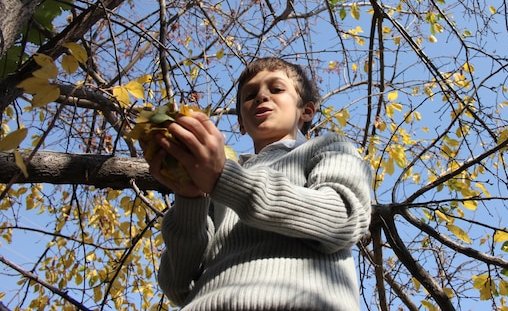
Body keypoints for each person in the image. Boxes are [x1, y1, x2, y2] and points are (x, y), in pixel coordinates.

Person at [147, 57, 372, 311]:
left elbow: (342, 217)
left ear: (306, 111)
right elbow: (178, 285)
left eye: (276, 89)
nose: (262, 97)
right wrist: (190, 199)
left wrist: (225, 179)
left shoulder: (329, 147)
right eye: (249, 95)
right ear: (241, 123)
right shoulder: (213, 181)